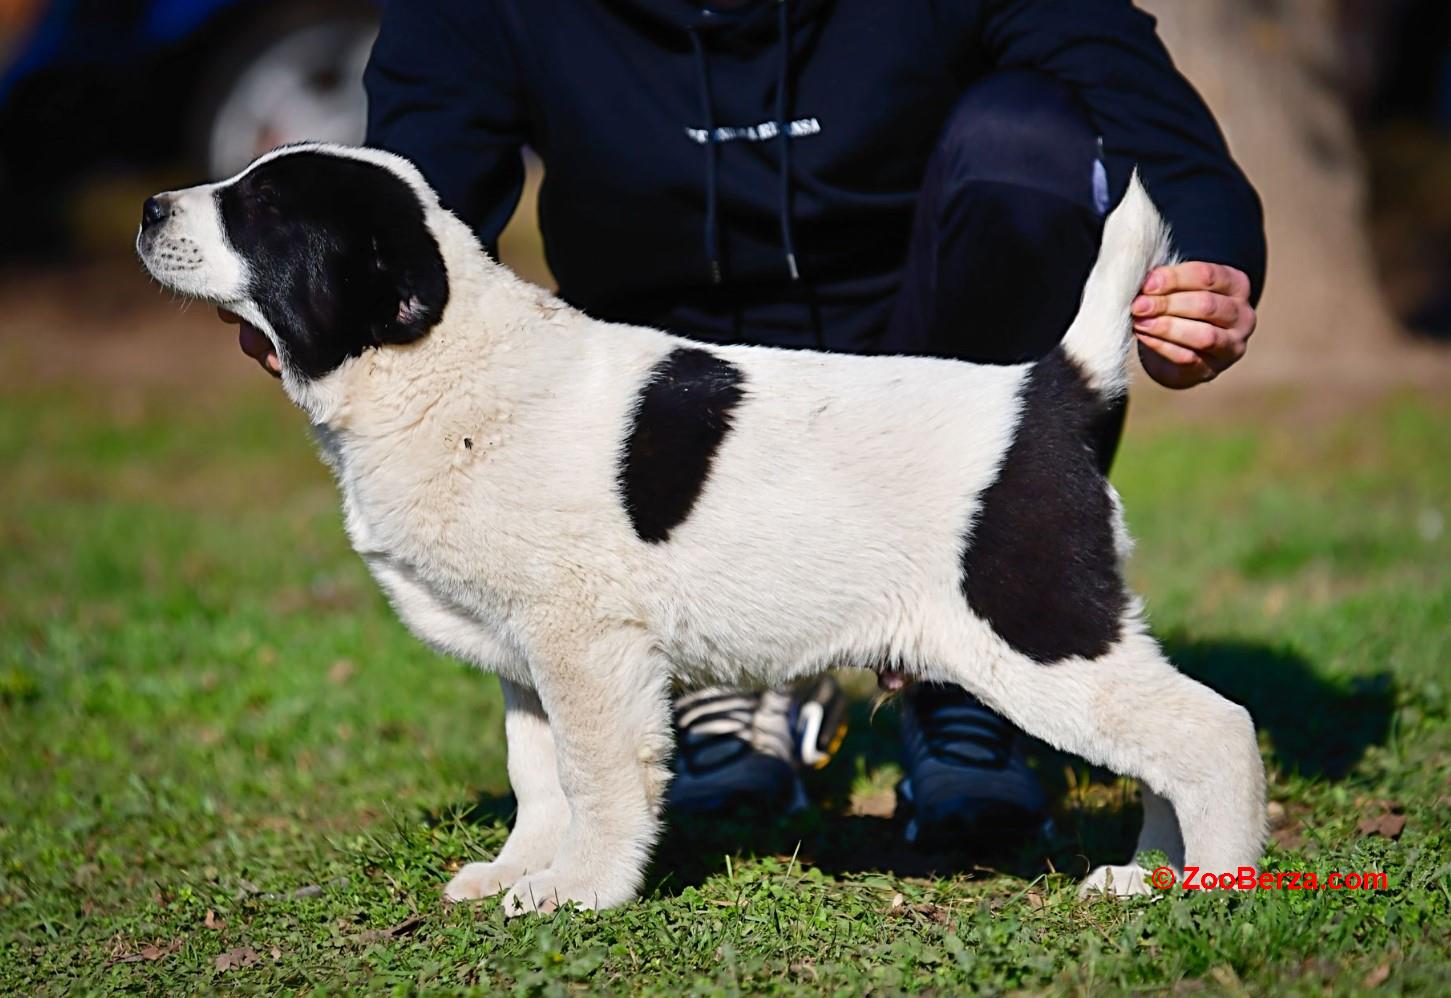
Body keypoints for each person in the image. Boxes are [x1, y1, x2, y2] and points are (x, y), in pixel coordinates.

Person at [230, 0, 1264, 849]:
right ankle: (721, 675)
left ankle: (966, 682)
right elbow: (411, 203)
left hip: (935, 362)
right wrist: (320, 295)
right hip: (661, 382)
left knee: (1024, 145)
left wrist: (1203, 268)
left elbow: (1142, 111)